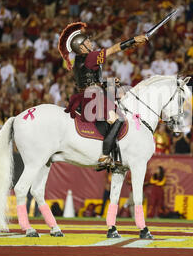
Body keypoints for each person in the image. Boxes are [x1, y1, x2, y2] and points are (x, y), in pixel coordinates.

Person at [58, 22, 148, 169]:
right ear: (81, 47)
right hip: (94, 96)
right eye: (87, 41)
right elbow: (114, 49)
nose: (90, 42)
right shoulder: (91, 57)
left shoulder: (79, 60)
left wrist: (107, 83)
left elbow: (88, 81)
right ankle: (105, 156)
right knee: (118, 120)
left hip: (86, 95)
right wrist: (133, 40)